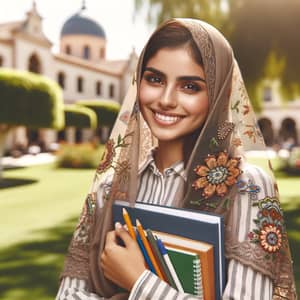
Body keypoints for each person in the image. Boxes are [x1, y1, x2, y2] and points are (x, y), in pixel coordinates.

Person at [56, 19, 297, 300]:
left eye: (190, 87)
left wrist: (137, 282)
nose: (166, 99)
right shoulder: (109, 188)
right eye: (155, 79)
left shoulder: (246, 187)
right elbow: (68, 294)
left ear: (219, 93)